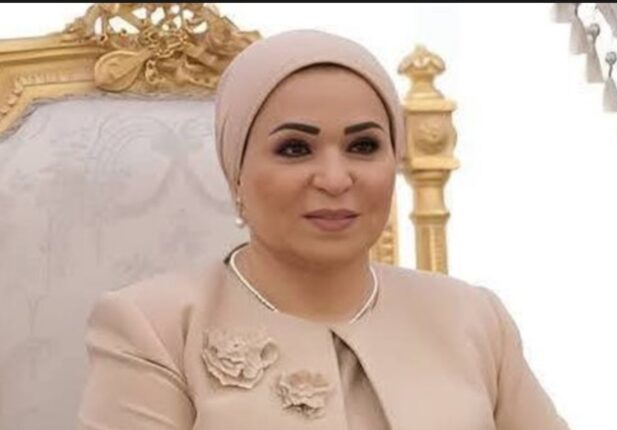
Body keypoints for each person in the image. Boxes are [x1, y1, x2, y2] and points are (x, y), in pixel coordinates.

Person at [77, 29, 569, 430]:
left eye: (363, 146)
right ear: (237, 173)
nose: (335, 179)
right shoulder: (154, 328)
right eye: (295, 148)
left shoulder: (473, 318)